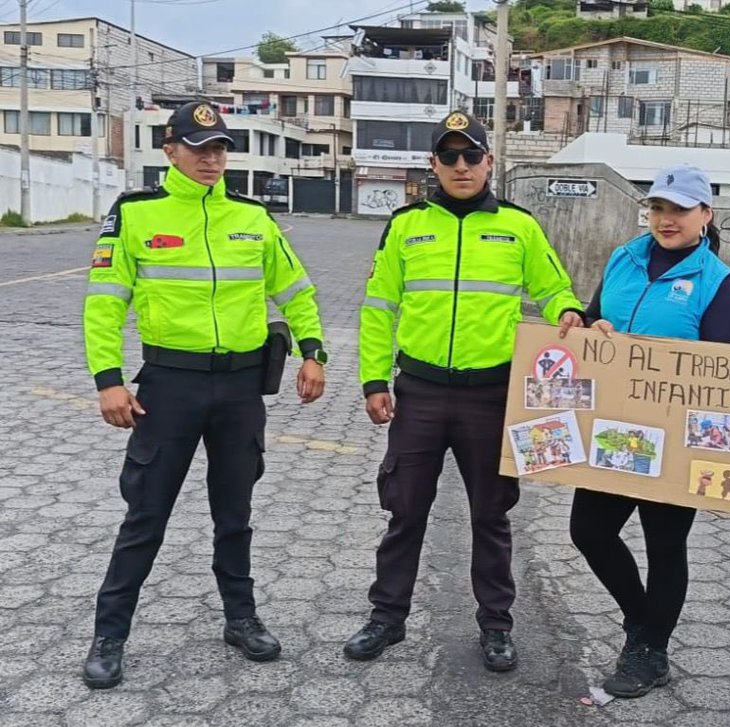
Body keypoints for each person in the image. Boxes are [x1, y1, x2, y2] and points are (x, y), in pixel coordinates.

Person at [81, 101, 327, 689]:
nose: (211, 158)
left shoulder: (252, 217)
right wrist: (108, 379)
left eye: (219, 148)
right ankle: (109, 634)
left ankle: (241, 619)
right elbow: (104, 302)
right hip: (170, 386)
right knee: (146, 515)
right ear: (170, 150)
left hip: (242, 387)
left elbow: (295, 288)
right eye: (199, 148)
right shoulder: (136, 215)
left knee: (234, 513)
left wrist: (313, 352)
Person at [347, 111, 585, 671]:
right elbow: (379, 307)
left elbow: (552, 286)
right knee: (405, 511)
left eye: (471, 155)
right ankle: (387, 617)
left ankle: (497, 626)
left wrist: (569, 310)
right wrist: (374, 379)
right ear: (433, 165)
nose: (461, 166)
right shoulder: (405, 225)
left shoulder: (519, 226)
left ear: (489, 162)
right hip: (421, 392)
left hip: (491, 396)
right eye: (449, 156)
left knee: (492, 516)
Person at [571, 164, 730, 698]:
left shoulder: (718, 282)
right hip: (614, 433)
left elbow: (721, 371)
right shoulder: (624, 258)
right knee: (589, 531)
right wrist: (582, 320)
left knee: (665, 545)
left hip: (674, 439)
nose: (666, 220)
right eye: (659, 209)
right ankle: (642, 620)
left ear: (705, 215)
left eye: (680, 210)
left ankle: (651, 651)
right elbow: (595, 315)